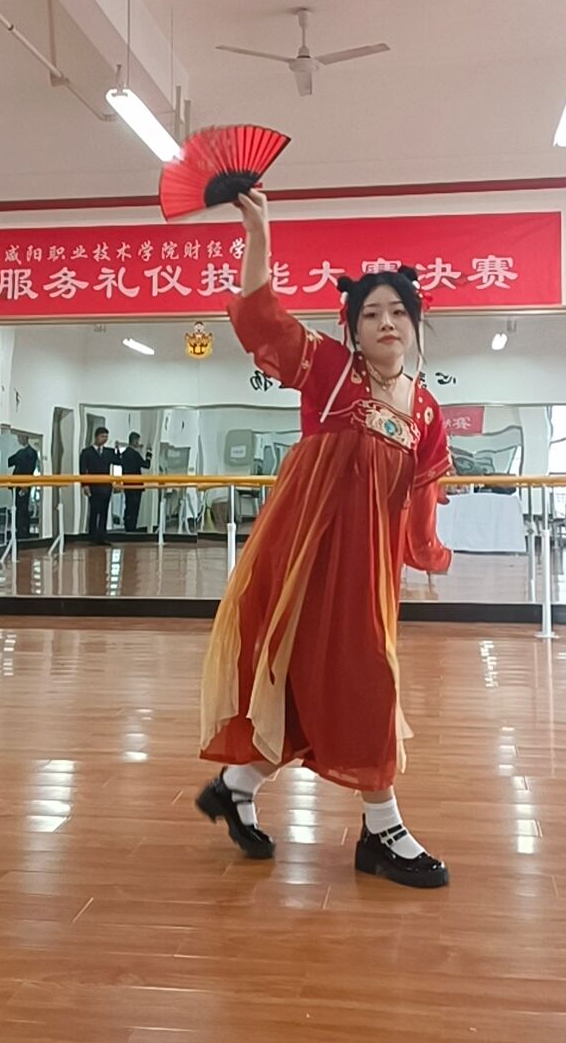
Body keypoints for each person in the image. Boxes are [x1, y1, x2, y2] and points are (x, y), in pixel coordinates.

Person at [196, 190, 453, 890]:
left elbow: (421, 492)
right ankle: (382, 831)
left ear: (415, 323)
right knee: (366, 678)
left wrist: (427, 551)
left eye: (397, 311)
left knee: (309, 683)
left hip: (368, 571)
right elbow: (262, 319)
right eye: (370, 313)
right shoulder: (332, 372)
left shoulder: (427, 411)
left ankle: (236, 786)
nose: (385, 322)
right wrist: (259, 231)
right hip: (309, 562)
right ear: (353, 327)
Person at [79, 426, 117, 545]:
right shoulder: (86, 452)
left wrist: (117, 450)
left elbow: (118, 462)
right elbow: (82, 470)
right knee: (94, 511)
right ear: (96, 437)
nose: (104, 439)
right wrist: (85, 485)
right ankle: (92, 537)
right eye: (102, 436)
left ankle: (102, 537)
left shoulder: (109, 452)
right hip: (93, 486)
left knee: (104, 512)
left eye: (106, 437)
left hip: (106, 487)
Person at [7, 434, 39, 538]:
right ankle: (21, 530)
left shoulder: (29, 453)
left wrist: (25, 485)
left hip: (23, 485)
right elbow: (10, 461)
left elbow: (29, 470)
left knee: (22, 508)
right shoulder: (23, 452)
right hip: (18, 484)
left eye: (20, 437)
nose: (18, 439)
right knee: (19, 507)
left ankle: (23, 530)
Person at [120, 431, 152, 532]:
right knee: (134, 507)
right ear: (134, 441)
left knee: (128, 505)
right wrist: (149, 455)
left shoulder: (124, 454)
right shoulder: (135, 454)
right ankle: (132, 528)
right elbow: (146, 465)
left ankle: (128, 526)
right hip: (136, 484)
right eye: (138, 441)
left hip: (127, 483)